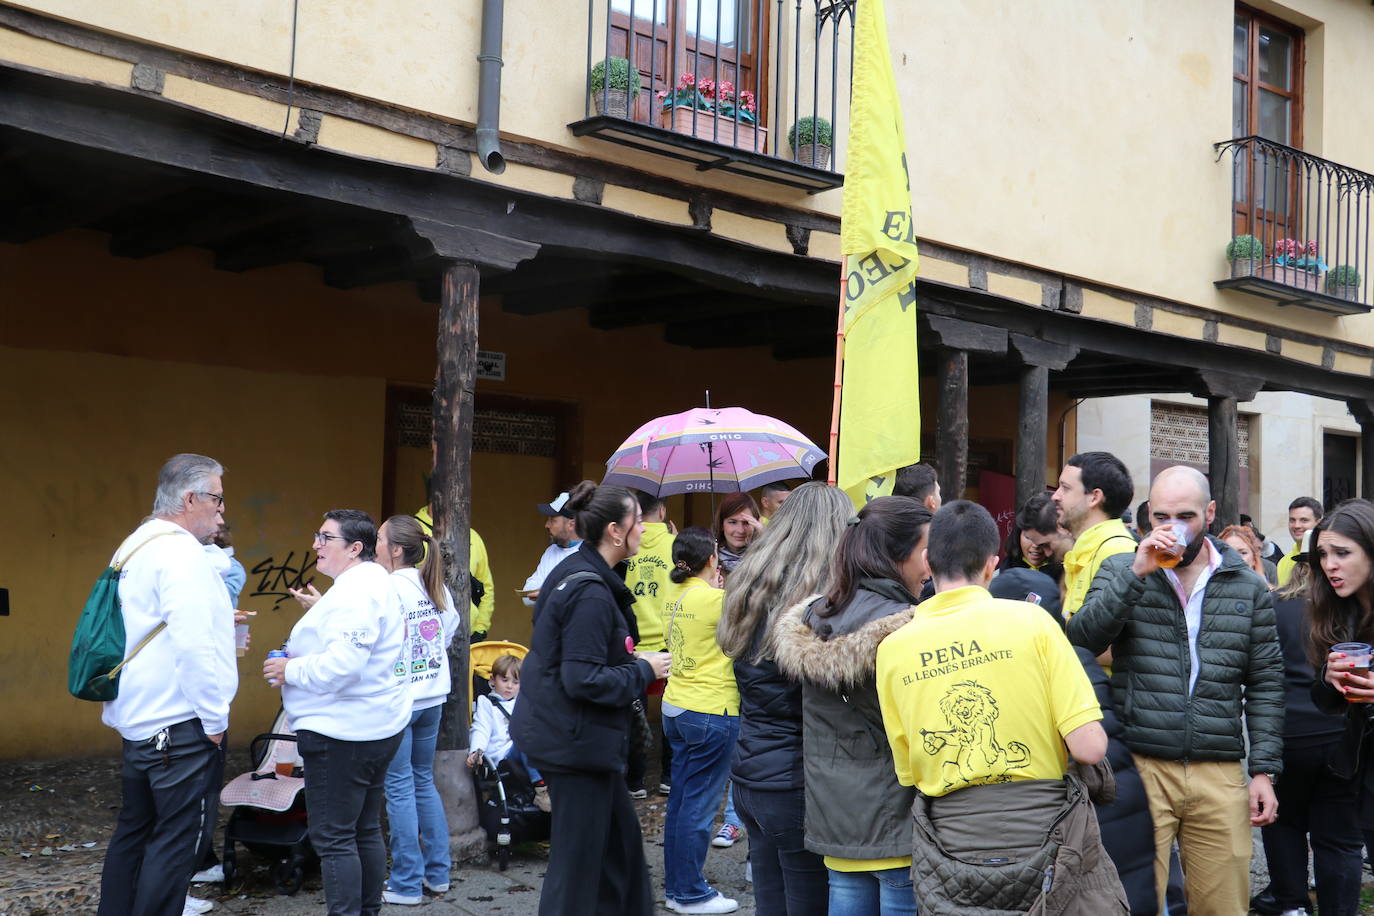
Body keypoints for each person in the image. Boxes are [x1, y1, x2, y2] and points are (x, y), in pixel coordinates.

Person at [876, 501, 1122, 914]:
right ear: (992, 565)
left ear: (926, 560)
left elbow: (909, 770)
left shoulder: (893, 648)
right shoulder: (1033, 622)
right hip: (1045, 829)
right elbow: (1090, 748)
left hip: (952, 838)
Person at [1066, 467, 1284, 916]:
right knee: (1135, 902)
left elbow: (1264, 680)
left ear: (1209, 512)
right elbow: (1082, 639)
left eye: (1185, 515)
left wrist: (1263, 770)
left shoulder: (1245, 584)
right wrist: (1135, 573)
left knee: (1224, 905)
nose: (1171, 528)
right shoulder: (1122, 568)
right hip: (1142, 764)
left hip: (1218, 767)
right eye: (1160, 516)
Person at [509, 480, 672, 916]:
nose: (646, 528)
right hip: (575, 744)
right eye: (640, 521)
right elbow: (582, 678)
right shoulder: (590, 592)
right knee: (578, 867)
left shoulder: (578, 571)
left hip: (579, 741)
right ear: (616, 531)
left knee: (619, 856)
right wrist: (642, 669)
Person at [773, 497, 932, 915]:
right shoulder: (907, 626)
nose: (929, 566)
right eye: (924, 552)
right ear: (897, 556)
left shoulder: (816, 616)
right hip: (896, 822)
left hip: (836, 820)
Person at [97, 454, 238, 916]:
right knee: (177, 841)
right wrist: (215, 720)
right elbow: (195, 645)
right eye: (216, 498)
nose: (221, 510)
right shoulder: (181, 553)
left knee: (134, 832)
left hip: (138, 718)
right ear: (190, 498)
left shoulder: (136, 543)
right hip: (179, 723)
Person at [989, 568, 1160, 916]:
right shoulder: (1081, 658)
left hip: (1078, 824)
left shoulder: (1012, 670)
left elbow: (1086, 748)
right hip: (1126, 813)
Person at [717, 481, 851, 916]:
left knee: (770, 903)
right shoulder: (818, 609)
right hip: (796, 782)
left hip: (751, 777)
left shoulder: (752, 589)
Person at [266, 510, 409, 916]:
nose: (316, 544)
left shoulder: (358, 592)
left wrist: (289, 668)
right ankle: (366, 910)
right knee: (362, 828)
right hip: (371, 724)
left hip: (344, 733)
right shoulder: (366, 584)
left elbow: (345, 665)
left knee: (334, 837)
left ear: (355, 548)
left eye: (326, 537)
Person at [1246, 528, 1361, 916]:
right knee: (1339, 838)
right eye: (1325, 557)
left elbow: (1258, 673)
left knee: (1284, 823)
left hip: (1291, 733)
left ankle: (1292, 905)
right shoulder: (1349, 611)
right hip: (1336, 736)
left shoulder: (1277, 604)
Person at [376, 515, 459, 906]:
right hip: (432, 698)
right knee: (422, 781)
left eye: (378, 539)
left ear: (395, 549)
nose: (374, 545)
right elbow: (450, 626)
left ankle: (407, 882)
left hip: (399, 701)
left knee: (399, 787)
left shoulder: (387, 588)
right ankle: (438, 873)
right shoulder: (432, 584)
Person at [661, 527, 740, 915]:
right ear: (712, 559)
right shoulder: (717, 600)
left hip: (675, 705)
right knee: (699, 806)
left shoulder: (672, 594)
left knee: (680, 801)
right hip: (712, 709)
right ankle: (690, 893)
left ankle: (676, 887)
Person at [625, 489, 676, 798]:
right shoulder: (675, 545)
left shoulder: (625, 542)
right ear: (663, 511)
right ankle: (669, 776)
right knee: (672, 710)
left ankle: (635, 781)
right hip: (670, 639)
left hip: (634, 642)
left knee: (635, 712)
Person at [1053, 451, 1137, 620]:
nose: (1055, 496)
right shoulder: (1090, 547)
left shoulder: (1116, 551)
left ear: (1094, 497)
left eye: (1065, 488)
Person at [467, 654, 547, 811]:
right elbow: (480, 729)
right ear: (492, 681)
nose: (509, 686)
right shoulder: (487, 704)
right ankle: (542, 791)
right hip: (502, 755)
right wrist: (477, 751)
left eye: (515, 682)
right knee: (525, 742)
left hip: (525, 751)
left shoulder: (524, 702)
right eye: (504, 680)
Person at [414, 503, 495, 640]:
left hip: (466, 633)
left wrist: (480, 628)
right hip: (423, 631)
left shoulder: (473, 536)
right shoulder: (412, 532)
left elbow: (486, 587)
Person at [520, 490, 581, 606]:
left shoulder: (589, 553)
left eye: (552, 520)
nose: (546, 525)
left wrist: (544, 592)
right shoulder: (551, 551)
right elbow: (527, 597)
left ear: (571, 525)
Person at [1000, 492, 1067, 584]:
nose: (1036, 545)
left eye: (1044, 543)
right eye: (1028, 538)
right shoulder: (1003, 573)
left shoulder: (1068, 572)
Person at [1277, 496, 1323, 586]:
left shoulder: (1326, 559)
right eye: (1292, 520)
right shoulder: (1283, 562)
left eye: (1304, 520)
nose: (1296, 525)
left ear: (1319, 523)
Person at [714, 492, 762, 575]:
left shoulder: (766, 557)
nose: (740, 531)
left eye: (746, 522)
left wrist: (766, 539)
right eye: (733, 522)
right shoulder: (708, 561)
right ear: (721, 524)